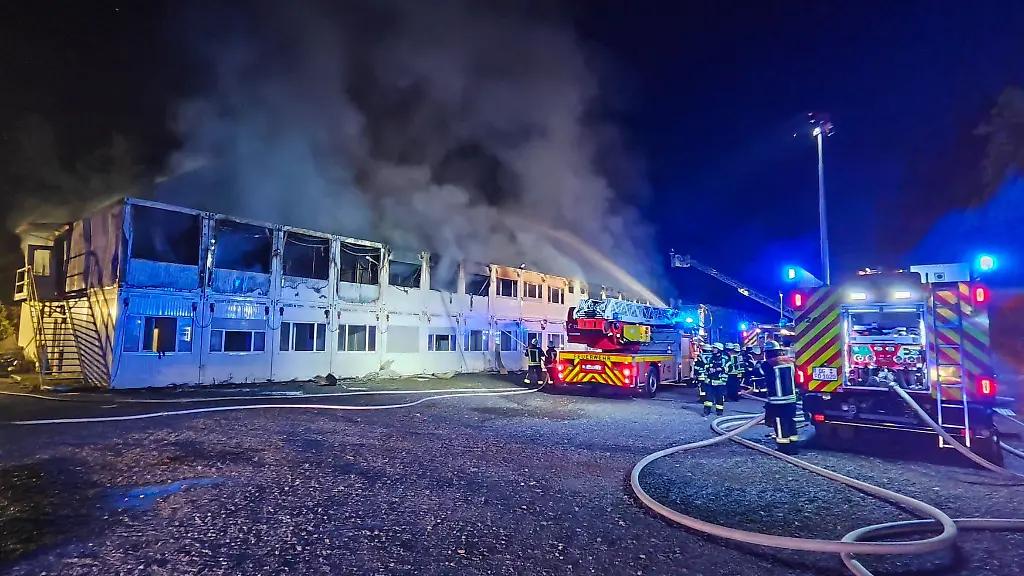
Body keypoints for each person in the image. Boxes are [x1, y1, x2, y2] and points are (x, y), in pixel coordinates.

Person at [761, 340, 800, 454]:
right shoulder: (790, 362)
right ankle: (794, 447)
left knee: (780, 423)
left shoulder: (768, 364)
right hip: (791, 398)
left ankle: (784, 447)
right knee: (791, 421)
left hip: (777, 400)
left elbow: (760, 373)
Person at [704, 342, 729, 416]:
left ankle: (719, 411)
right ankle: (706, 410)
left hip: (720, 381)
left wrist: (720, 369)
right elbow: (706, 366)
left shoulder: (725, 359)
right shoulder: (710, 358)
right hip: (710, 381)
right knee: (708, 397)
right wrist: (709, 369)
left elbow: (729, 368)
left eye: (715, 348)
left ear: (719, 349)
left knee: (719, 397)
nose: (713, 349)